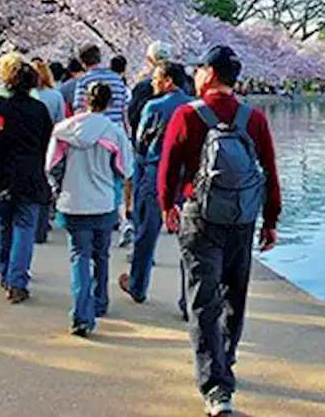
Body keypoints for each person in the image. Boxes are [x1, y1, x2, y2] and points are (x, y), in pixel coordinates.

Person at [158, 45, 282, 417]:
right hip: (242, 219)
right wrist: (271, 220)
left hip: (200, 217)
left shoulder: (187, 115)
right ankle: (225, 362)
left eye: (199, 69)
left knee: (203, 299)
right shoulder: (253, 118)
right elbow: (270, 172)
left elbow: (168, 168)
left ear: (210, 73)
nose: (194, 75)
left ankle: (215, 388)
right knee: (234, 295)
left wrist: (168, 206)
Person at [47, 81, 133, 336]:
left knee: (79, 256)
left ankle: (81, 314)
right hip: (103, 201)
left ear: (85, 100)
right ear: (109, 103)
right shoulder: (115, 133)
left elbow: (52, 166)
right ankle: (100, 300)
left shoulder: (63, 130)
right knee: (101, 253)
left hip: (73, 200)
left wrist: (58, 188)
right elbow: (125, 169)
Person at [121, 60, 192, 312]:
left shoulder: (154, 107)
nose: (152, 83)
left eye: (156, 78)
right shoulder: (194, 107)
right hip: (186, 177)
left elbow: (141, 143)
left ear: (168, 80)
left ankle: (138, 285)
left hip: (156, 172)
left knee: (146, 232)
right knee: (188, 239)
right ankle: (187, 299)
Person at [0, 62, 54, 303]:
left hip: (3, 174)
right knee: (24, 228)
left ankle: (5, 273)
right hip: (32, 175)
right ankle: (17, 281)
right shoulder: (40, 110)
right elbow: (48, 143)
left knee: (3, 226)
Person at [30, 58, 67, 243]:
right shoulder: (55, 96)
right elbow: (60, 122)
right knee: (45, 183)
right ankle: (42, 226)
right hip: (49, 142)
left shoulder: (29, 95)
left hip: (29, 142)